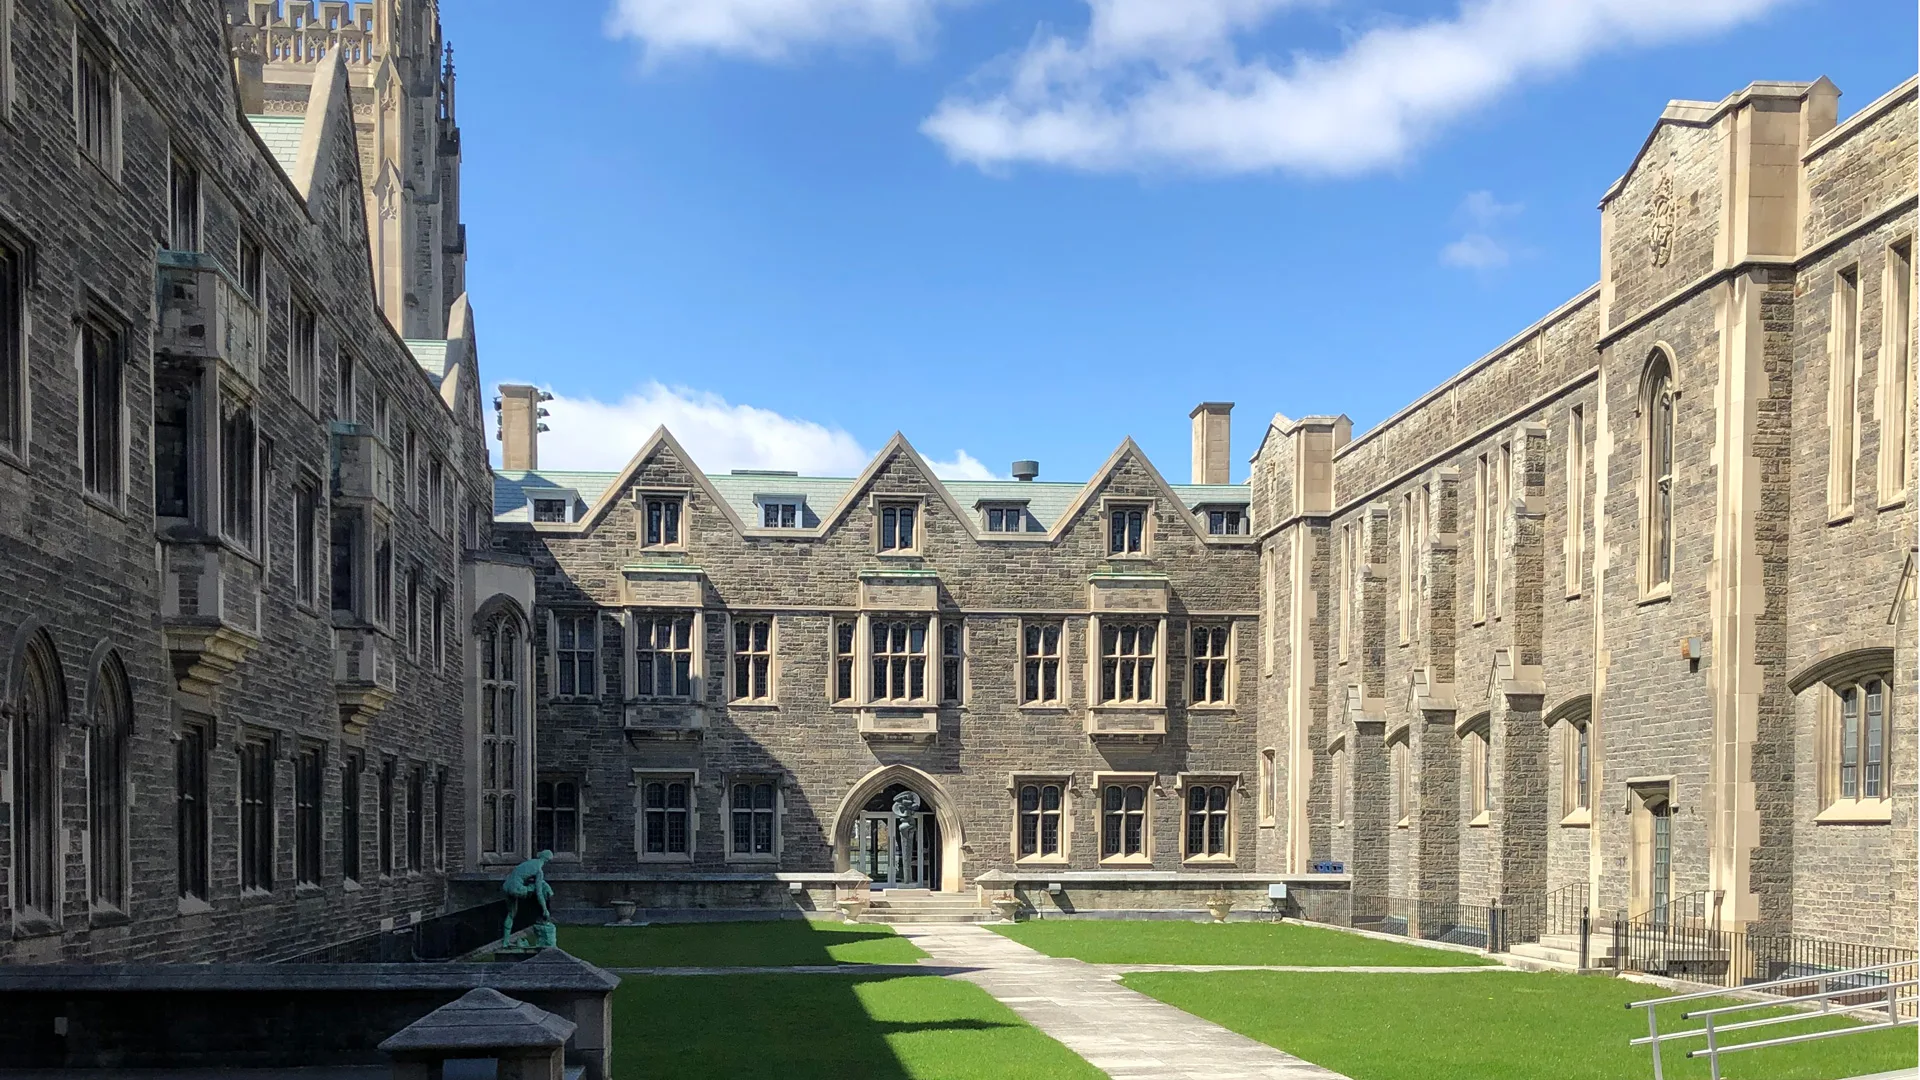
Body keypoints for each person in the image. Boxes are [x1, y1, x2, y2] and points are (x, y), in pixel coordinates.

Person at [501, 850, 554, 946]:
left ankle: (505, 942)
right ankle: (542, 915)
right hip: (517, 888)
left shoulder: (530, 862)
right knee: (542, 889)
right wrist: (545, 908)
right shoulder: (539, 870)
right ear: (547, 860)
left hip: (507, 886)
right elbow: (538, 892)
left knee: (511, 914)